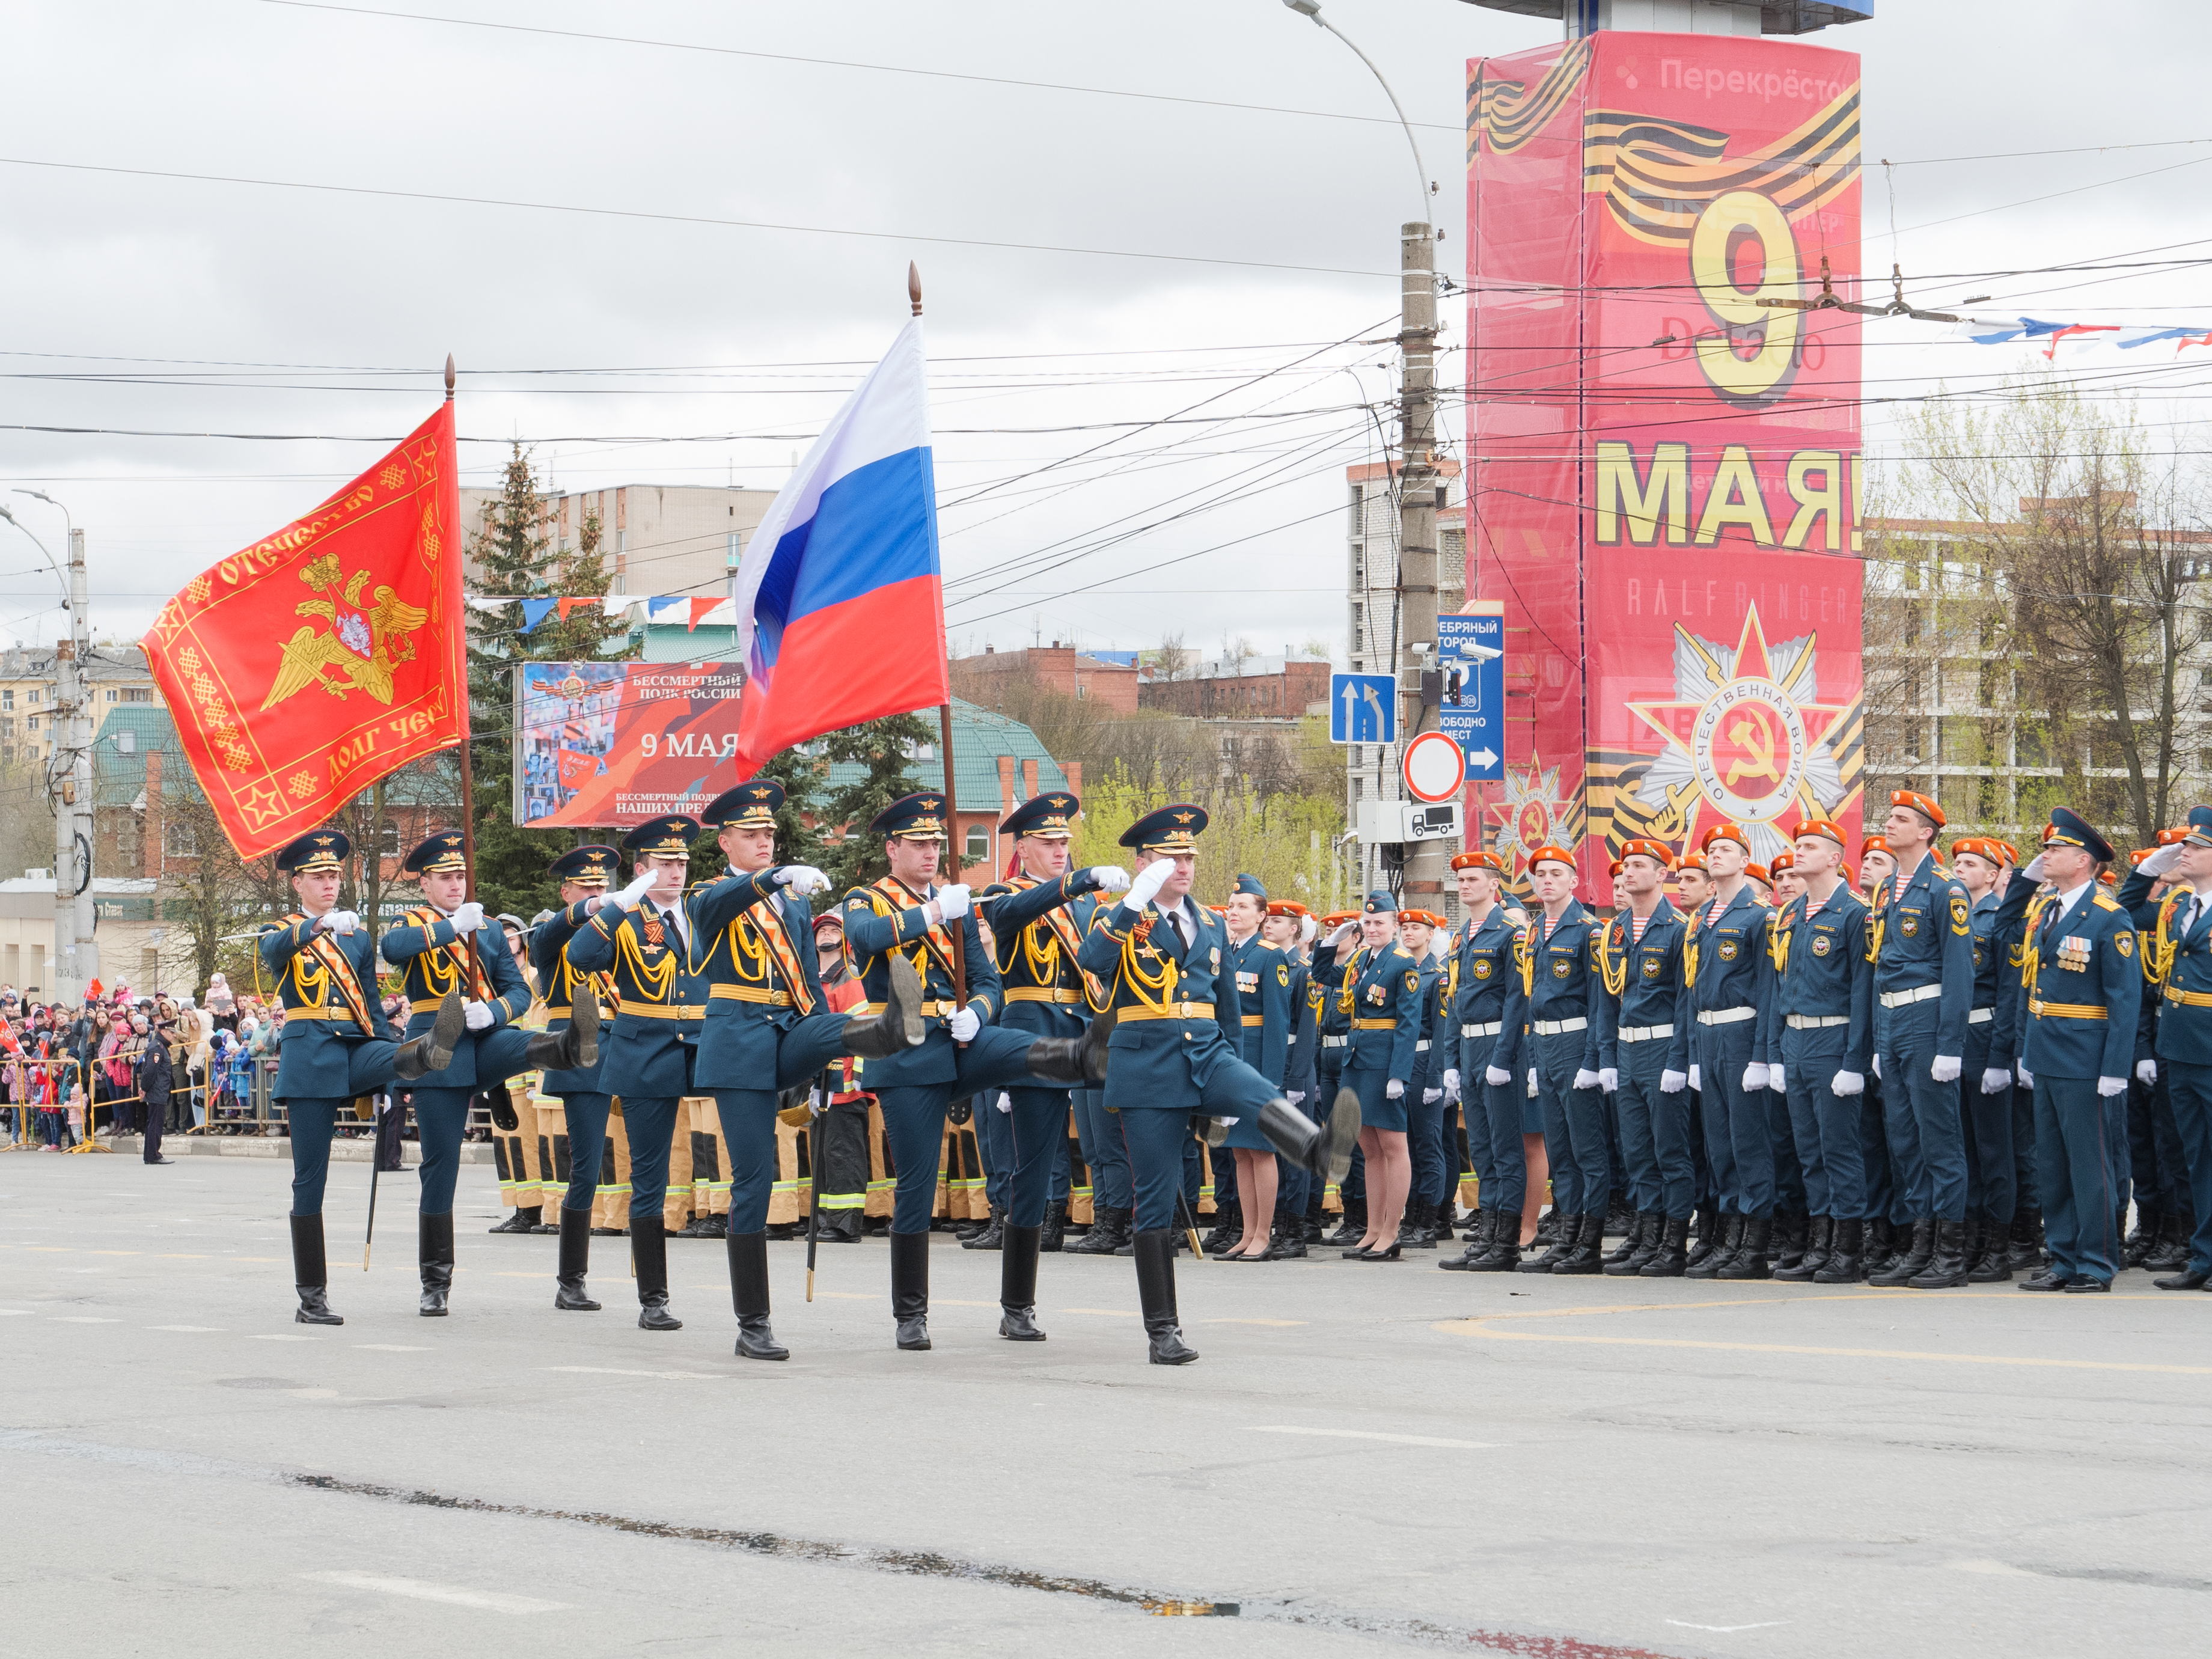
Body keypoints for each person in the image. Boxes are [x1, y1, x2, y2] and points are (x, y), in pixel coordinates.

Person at [1074, 803, 1355, 1361]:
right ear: (1146, 860)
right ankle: (1163, 1330)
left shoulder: (1207, 919)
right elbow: (1092, 959)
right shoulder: (1118, 915)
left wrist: (1226, 1063)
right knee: (1153, 1202)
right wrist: (1133, 902)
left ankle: (1318, 1148)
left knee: (1256, 1091)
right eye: (1172, 856)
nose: (1184, 865)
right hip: (1148, 1065)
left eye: (1190, 856)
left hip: (1207, 1050)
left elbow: (1226, 1003)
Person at [840, 791, 1107, 1352]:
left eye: (937, 843)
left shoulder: (954, 903)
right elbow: (863, 941)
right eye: (919, 844)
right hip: (908, 1052)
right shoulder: (867, 899)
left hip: (963, 1042)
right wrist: (936, 911)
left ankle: (1019, 1307)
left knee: (1028, 1059)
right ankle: (910, 1315)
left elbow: (988, 981)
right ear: (893, 849)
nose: (931, 852)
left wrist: (977, 1013)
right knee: (916, 1185)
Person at [686, 780, 927, 1359]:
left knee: (832, 1022)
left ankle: (888, 1028)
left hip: (789, 1030)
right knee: (754, 1182)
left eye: (769, 833)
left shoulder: (792, 903)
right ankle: (754, 1324)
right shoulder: (710, 892)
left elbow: (810, 985)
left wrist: (822, 1054)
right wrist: (770, 878)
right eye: (752, 834)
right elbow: (713, 911)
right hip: (738, 1040)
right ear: (726, 841)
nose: (765, 840)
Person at [385, 829, 594, 1320]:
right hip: (437, 1036)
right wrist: (450, 928)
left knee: (525, 1042)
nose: (456, 884)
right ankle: (435, 1281)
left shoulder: (491, 929)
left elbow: (518, 992)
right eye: (445, 877)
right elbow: (394, 950)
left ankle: (567, 1043)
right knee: (441, 1166)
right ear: (425, 884)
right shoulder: (413, 921)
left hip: (484, 1032)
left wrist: (497, 1012)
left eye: (461, 876)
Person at [258, 828, 464, 1325]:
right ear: (298, 884)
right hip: (310, 1058)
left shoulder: (357, 934)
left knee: (397, 1055)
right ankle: (313, 1296)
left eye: (335, 876)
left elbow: (371, 1003)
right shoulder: (281, 928)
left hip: (355, 1047)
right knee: (311, 1180)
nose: (330, 884)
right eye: (320, 877)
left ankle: (423, 1053)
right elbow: (274, 953)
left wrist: (390, 1069)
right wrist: (320, 926)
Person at [974, 791, 1129, 1313]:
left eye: (1065, 840)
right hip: (1034, 1033)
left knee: (1129, 1126)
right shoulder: (1004, 893)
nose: (1061, 848)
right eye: (1048, 841)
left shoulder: (1086, 905)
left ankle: (1141, 1224)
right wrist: (1077, 882)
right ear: (1024, 846)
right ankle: (1018, 1303)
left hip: (1088, 1031)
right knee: (1034, 1169)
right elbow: (1019, 910)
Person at [2016, 808, 2143, 1292]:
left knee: (2091, 1164)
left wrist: (2115, 1068)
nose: (2046, 855)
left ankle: (2096, 1261)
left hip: (2087, 1061)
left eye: (2057, 850)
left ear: (2084, 861)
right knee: (2052, 1162)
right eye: (2047, 848)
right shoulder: (2047, 911)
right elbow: (2034, 990)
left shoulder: (2110, 918)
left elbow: (2124, 999)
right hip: (2047, 1054)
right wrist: (2029, 1054)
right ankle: (2064, 1257)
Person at [1868, 790, 1978, 1289]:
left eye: (1900, 819)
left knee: (1940, 1140)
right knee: (1906, 1141)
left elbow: (1959, 973)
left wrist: (1951, 1045)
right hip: (1892, 1021)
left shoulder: (1944, 889)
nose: (1889, 824)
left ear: (1927, 831)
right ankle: (1920, 1245)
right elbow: (1880, 968)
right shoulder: (1889, 888)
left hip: (1927, 1017)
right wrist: (1875, 1040)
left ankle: (1949, 1254)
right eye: (1890, 817)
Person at [1759, 819, 1873, 1283]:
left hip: (1834, 1039)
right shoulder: (1791, 915)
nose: (1797, 853)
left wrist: (1854, 1061)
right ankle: (1820, 1242)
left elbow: (1863, 992)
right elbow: (1779, 987)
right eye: (1796, 845)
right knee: (1809, 1150)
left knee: (1839, 1148)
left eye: (1808, 846)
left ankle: (1847, 1249)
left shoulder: (1854, 913)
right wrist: (1777, 1054)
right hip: (1796, 1039)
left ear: (1833, 857)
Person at [1487, 846, 1609, 1274]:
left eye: (1557, 873)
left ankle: (1588, 1243)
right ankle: (1566, 1237)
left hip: (1577, 1042)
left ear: (1574, 881)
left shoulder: (1590, 931)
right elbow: (1531, 1000)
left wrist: (1595, 1060)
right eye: (1541, 874)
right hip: (1547, 1044)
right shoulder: (1535, 932)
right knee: (1560, 1149)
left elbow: (1598, 1004)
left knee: (1587, 1149)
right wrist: (1536, 1061)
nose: (1547, 881)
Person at [521, 845, 624, 1309]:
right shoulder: (549, 936)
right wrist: (590, 910)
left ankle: (653, 1287)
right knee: (586, 1167)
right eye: (587, 887)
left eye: (603, 887)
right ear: (567, 893)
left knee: (641, 1160)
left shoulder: (620, 934)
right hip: (578, 1050)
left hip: (626, 1045)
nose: (598, 894)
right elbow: (547, 939)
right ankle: (571, 1280)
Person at [1592, 839, 1694, 1276]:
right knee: (1636, 1151)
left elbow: (1686, 1002)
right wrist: (1607, 1057)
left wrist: (1678, 1061)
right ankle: (1646, 1235)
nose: (1628, 873)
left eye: (1638, 866)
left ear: (1662, 873)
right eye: (1625, 866)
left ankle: (1672, 1243)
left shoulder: (1678, 927)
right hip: (1628, 1047)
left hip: (1661, 1046)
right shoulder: (1615, 930)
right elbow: (1606, 1001)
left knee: (1670, 1149)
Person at [1684, 823, 1776, 1279]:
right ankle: (1728, 1236)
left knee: (1748, 1143)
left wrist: (1762, 1055)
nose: (1716, 855)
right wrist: (1694, 1056)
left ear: (1745, 860)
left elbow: (1767, 989)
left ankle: (1754, 1244)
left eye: (1726, 850)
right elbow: (1692, 989)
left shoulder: (1759, 914)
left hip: (1742, 1033)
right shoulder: (1703, 918)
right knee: (1719, 1144)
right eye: (1712, 850)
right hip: (1709, 1034)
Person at [1311, 891, 1423, 1260]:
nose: (1373, 928)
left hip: (1383, 1062)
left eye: (1380, 923)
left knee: (1394, 1147)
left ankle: (1392, 1230)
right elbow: (1323, 974)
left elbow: (1409, 1024)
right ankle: (1373, 1229)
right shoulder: (1361, 959)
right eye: (1368, 923)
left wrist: (1399, 1075)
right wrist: (1330, 942)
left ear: (1395, 926)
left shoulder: (1403, 964)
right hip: (1356, 1061)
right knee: (1369, 1149)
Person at [2131, 810, 2212, 1290]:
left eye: (2198, 848)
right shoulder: (2177, 907)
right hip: (2179, 1049)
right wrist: (2149, 867)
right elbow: (2126, 905)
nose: (2187, 851)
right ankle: (2203, 1258)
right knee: (2195, 1159)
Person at [1441, 851, 1532, 1271]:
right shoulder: (1463, 936)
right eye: (1460, 880)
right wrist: (1451, 1061)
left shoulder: (1510, 931)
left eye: (1473, 879)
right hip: (1470, 1047)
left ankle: (1507, 1243)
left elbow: (1518, 998)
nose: (1464, 886)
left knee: (1505, 1147)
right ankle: (1488, 1236)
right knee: (1481, 1148)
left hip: (1499, 1046)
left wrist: (1503, 1057)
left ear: (1494, 885)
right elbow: (1456, 1001)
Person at [1955, 834, 2036, 1280]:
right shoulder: (1951, 916)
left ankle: (1997, 1245)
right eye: (1958, 862)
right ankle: (1968, 1238)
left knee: (1994, 1149)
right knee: (1962, 1146)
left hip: (1987, 1037)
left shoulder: (2001, 920)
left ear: (1994, 874)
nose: (1961, 869)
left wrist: (2001, 1056)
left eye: (1971, 863)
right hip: (1953, 1038)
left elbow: (2010, 994)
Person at [1216, 873, 1294, 1259]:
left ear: (1262, 915)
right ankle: (1247, 1233)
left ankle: (1264, 1233)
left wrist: (1272, 1081)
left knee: (1261, 1150)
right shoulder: (1223, 951)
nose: (1234, 912)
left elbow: (1278, 1023)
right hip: (1229, 1061)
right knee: (1239, 1152)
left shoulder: (1269, 955)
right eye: (1232, 906)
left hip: (1258, 1062)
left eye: (1244, 906)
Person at [1395, 906, 1451, 1251]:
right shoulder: (1401, 971)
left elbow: (1443, 1030)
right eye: (1405, 927)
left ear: (1431, 935)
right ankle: (1411, 1216)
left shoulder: (1438, 976)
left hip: (1426, 1060)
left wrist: (1435, 1077)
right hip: (1403, 1061)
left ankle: (1429, 1222)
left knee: (1429, 1146)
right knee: (1410, 1147)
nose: (1409, 933)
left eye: (1417, 928)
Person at [137, 1015, 175, 1164]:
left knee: (154, 1123)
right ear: (164, 1032)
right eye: (171, 1032)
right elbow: (150, 1071)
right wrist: (144, 1088)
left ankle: (151, 1155)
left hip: (158, 1090)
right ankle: (153, 1155)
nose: (174, 1035)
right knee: (155, 1123)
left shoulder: (160, 1046)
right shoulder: (157, 1047)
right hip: (156, 1090)